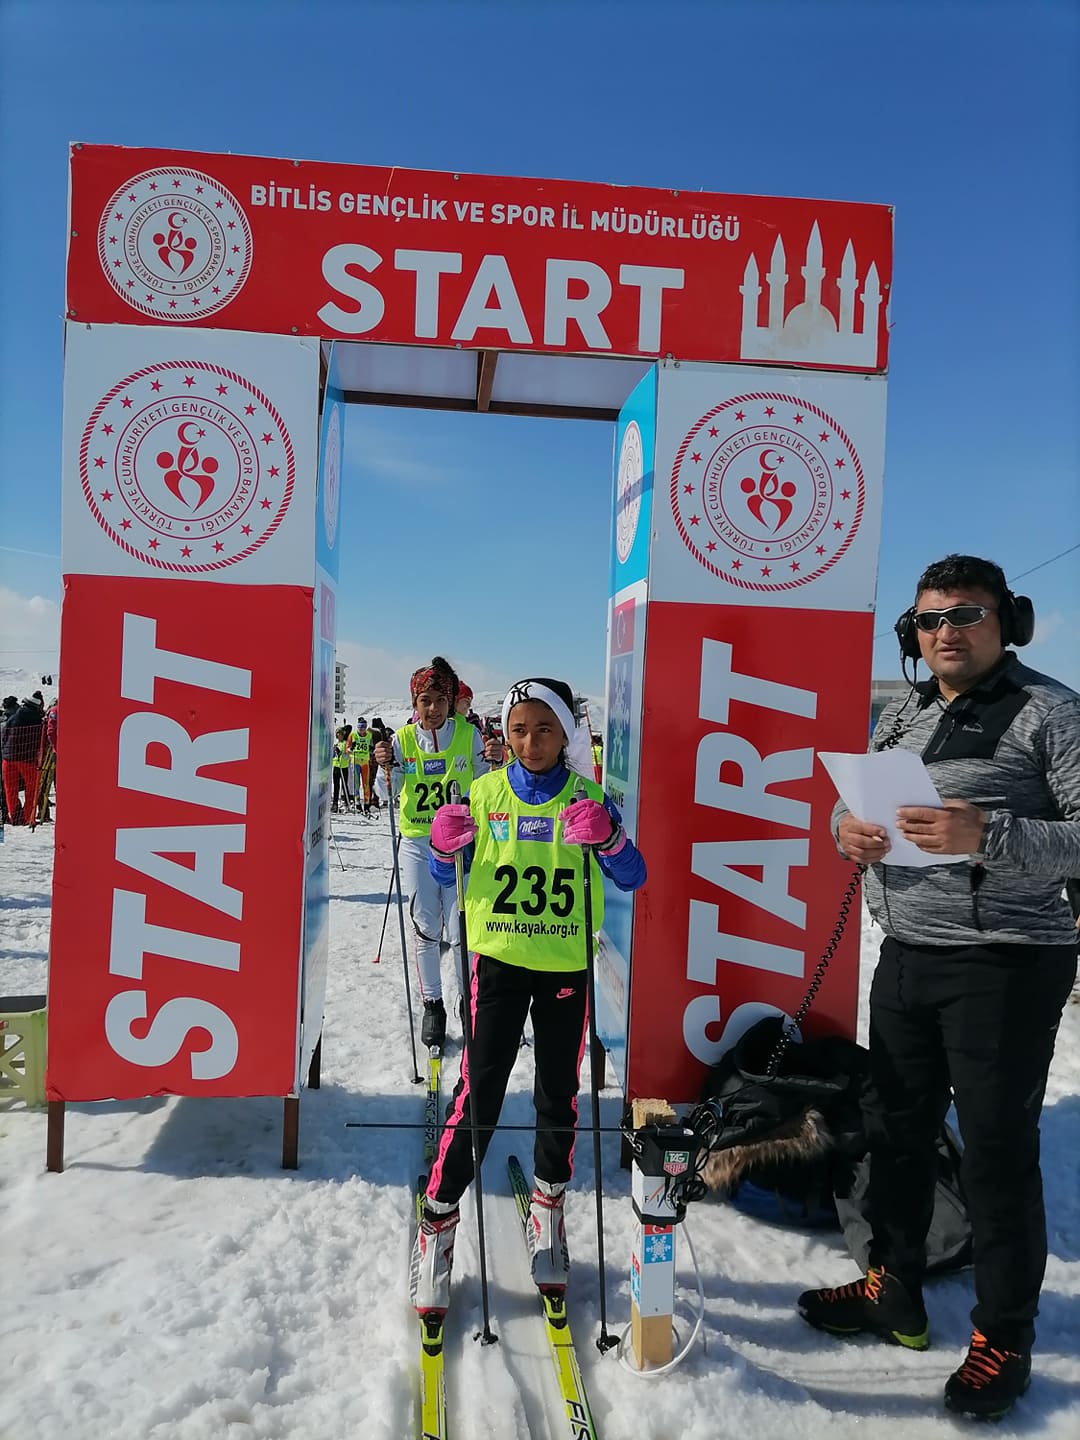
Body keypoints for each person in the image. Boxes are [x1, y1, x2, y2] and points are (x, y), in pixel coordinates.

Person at [797, 555, 1080, 1420]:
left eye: (964, 614)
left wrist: (985, 832)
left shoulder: (1052, 713)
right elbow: (863, 809)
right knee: (899, 1131)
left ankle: (1006, 1334)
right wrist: (849, 830)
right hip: (908, 952)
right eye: (928, 620)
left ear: (1008, 621)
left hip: (1006, 964)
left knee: (995, 1154)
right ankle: (896, 1287)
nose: (945, 631)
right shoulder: (905, 711)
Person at [409, 676, 647, 1315]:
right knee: (479, 1091)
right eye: (519, 729)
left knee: (557, 1094)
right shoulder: (484, 794)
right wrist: (439, 846)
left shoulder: (587, 797)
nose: (530, 741)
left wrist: (610, 839)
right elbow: (444, 870)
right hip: (499, 963)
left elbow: (635, 874)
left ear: (566, 734)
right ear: (504, 734)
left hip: (565, 964)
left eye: (545, 729)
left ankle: (549, 1207)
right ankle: (437, 1220)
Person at [372, 657, 504, 1049]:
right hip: (417, 841)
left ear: (451, 702)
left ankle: (468, 1001)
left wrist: (496, 760)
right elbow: (386, 794)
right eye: (424, 700)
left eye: (440, 701)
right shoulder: (402, 739)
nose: (432, 709)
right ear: (415, 702)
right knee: (426, 926)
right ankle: (434, 1004)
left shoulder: (468, 735)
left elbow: (487, 784)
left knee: (460, 927)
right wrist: (384, 768)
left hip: (462, 842)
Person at [2, 693, 45, 826]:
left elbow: (4, 736)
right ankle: (28, 817)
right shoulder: (37, 721)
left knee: (10, 789)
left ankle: (15, 817)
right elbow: (41, 741)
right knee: (31, 789)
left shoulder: (12, 718)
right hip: (26, 759)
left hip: (7, 759)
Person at [351, 717, 373, 816]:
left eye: (363, 727)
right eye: (360, 727)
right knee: (356, 784)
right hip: (355, 761)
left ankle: (367, 804)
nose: (362, 729)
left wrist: (371, 748)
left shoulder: (369, 735)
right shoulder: (353, 735)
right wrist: (351, 747)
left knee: (366, 784)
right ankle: (357, 803)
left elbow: (372, 746)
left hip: (365, 762)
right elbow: (347, 749)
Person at [331, 725, 353, 813]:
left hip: (343, 767)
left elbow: (347, 755)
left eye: (340, 734)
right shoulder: (335, 743)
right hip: (336, 766)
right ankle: (335, 803)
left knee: (344, 785)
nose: (338, 735)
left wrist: (342, 753)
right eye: (337, 734)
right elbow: (332, 755)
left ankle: (347, 803)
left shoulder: (345, 743)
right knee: (336, 786)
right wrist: (335, 752)